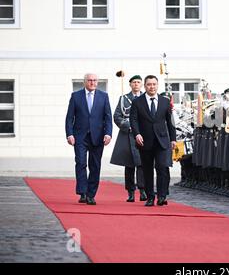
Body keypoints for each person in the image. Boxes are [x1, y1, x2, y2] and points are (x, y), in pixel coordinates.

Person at [65, 73, 112, 205]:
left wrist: (108, 134)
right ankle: (83, 192)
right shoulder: (76, 96)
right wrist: (69, 134)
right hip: (80, 136)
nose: (92, 82)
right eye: (90, 80)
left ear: (97, 82)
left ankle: (91, 194)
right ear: (84, 82)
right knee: (80, 163)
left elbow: (108, 117)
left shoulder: (104, 96)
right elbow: (69, 118)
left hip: (98, 137)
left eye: (95, 80)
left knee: (95, 166)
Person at [130, 75, 176, 207]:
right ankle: (150, 197)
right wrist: (137, 134)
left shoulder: (165, 102)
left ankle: (162, 196)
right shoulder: (137, 102)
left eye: (154, 84)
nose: (152, 87)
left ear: (157, 85)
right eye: (149, 84)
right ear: (145, 86)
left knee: (162, 167)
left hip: (162, 141)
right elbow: (133, 120)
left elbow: (170, 122)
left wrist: (173, 139)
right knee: (147, 170)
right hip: (145, 141)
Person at [110, 75, 147, 203]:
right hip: (127, 135)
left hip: (143, 135)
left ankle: (143, 191)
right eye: (134, 82)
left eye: (138, 82)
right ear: (130, 84)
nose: (136, 84)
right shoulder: (123, 99)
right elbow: (117, 116)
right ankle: (130, 192)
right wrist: (129, 126)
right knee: (129, 165)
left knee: (142, 164)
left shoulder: (146, 98)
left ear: (141, 84)